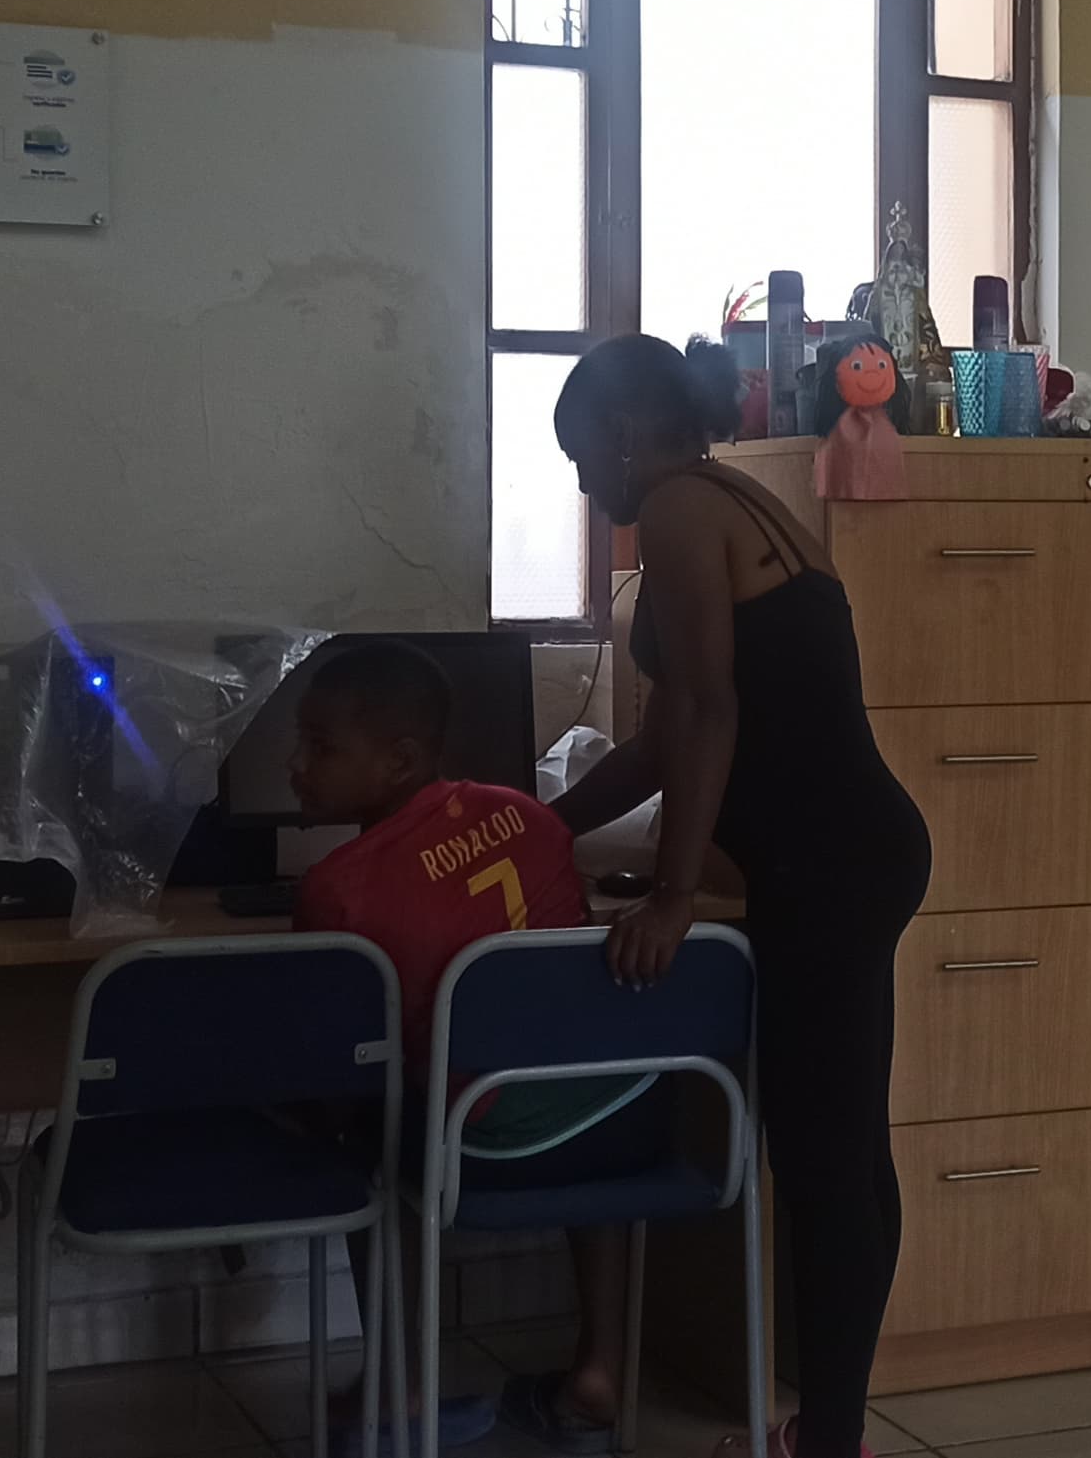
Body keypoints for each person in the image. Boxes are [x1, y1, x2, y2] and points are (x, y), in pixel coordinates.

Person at [549, 333, 929, 1458]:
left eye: (582, 457)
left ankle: (829, 1445)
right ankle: (829, 1430)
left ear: (625, 434)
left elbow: (710, 709)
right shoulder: (738, 500)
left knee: (824, 1166)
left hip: (827, 865)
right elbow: (661, 741)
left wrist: (672, 896)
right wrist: (530, 821)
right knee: (847, 1155)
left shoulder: (676, 513)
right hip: (855, 851)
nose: (586, 485)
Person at [281, 638, 664, 1457]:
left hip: (494, 1147)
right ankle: (600, 1367)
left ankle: (401, 1379)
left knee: (359, 1124)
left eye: (319, 746)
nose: (294, 766)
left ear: (400, 759)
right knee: (573, 1076)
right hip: (629, 1123)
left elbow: (339, 1063)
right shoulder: (532, 816)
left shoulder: (336, 889)